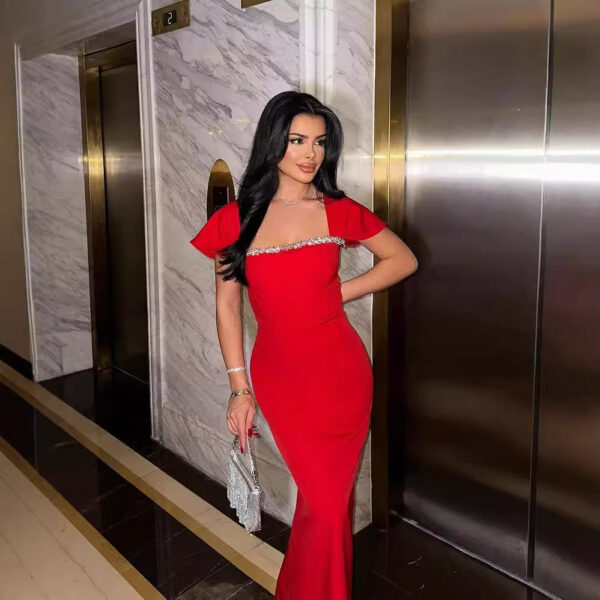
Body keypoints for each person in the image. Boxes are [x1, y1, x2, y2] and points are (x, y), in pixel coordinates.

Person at [190, 90, 418, 600]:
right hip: (280, 376)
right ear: (273, 142)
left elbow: (402, 260)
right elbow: (228, 306)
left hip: (341, 372)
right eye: (296, 140)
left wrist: (339, 291)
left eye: (319, 141)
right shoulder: (236, 219)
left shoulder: (337, 210)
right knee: (323, 502)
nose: (310, 153)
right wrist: (237, 389)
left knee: (326, 504)